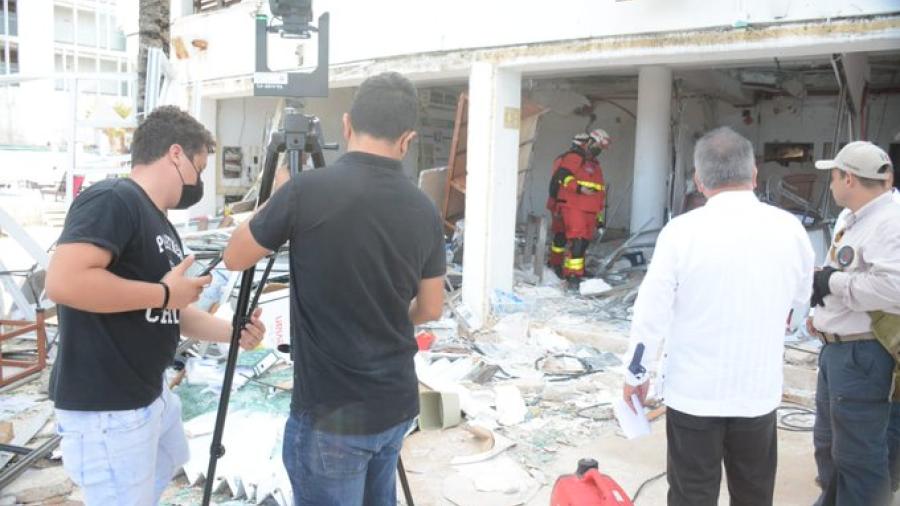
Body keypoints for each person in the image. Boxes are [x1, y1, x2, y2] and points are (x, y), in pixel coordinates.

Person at [223, 72, 446, 506]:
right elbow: (432, 307)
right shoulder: (423, 207)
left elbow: (235, 257)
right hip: (396, 405)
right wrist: (386, 318)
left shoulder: (306, 191)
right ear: (408, 139)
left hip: (331, 417)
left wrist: (280, 194)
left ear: (346, 126)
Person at [45, 106, 266, 506]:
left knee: (167, 465)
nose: (198, 182)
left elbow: (170, 311)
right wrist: (163, 293)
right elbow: (63, 282)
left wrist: (233, 332)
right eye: (199, 168)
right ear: (175, 153)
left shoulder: (159, 223)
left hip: (148, 394)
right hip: (109, 408)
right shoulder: (114, 199)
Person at [621, 126, 814, 506]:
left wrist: (636, 374)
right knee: (754, 492)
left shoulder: (680, 232)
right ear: (754, 173)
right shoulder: (790, 230)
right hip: (756, 392)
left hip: (694, 394)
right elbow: (800, 303)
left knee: (692, 494)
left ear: (699, 179)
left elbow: (650, 314)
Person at [808, 141, 900, 506]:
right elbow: (852, 273)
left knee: (859, 457)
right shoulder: (855, 218)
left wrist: (831, 283)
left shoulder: (889, 222)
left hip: (861, 354)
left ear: (848, 178)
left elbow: (893, 287)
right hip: (840, 348)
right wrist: (822, 313)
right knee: (830, 446)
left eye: (832, 176)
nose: (830, 185)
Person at [546, 128, 610, 285]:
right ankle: (572, 275)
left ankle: (574, 270)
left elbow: (599, 194)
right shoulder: (575, 158)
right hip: (574, 205)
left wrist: (599, 218)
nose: (599, 150)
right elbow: (562, 176)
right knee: (577, 240)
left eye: (602, 148)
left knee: (582, 243)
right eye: (599, 146)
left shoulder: (595, 165)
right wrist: (579, 189)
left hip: (590, 210)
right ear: (590, 142)